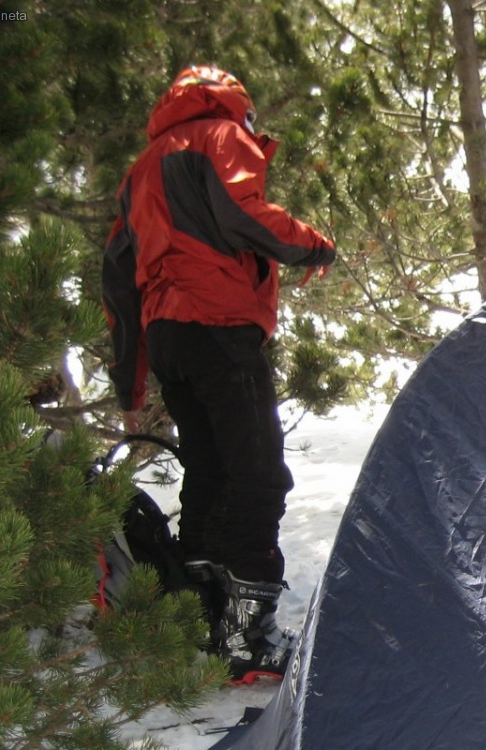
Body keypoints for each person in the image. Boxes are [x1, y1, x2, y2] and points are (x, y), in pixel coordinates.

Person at [102, 65, 336, 683]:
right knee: (258, 475)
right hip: (219, 325)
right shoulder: (218, 135)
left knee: (210, 473)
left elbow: (118, 282)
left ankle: (204, 619)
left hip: (172, 338)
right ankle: (248, 640)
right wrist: (313, 245)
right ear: (236, 105)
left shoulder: (141, 170)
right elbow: (244, 212)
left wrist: (129, 385)